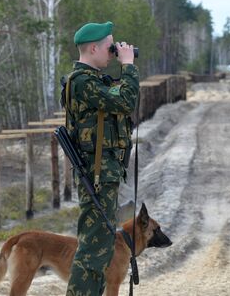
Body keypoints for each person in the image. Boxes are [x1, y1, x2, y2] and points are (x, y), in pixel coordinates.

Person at [61, 21, 139, 296]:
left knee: (101, 248)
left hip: (102, 175)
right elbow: (127, 101)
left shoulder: (93, 82)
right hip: (97, 177)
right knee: (93, 250)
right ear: (93, 48)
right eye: (110, 46)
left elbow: (119, 100)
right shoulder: (83, 82)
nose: (114, 51)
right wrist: (128, 66)